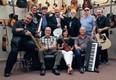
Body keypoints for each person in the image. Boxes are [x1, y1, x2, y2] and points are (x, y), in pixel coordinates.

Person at [4, 13, 37, 77]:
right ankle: (7, 71)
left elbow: (33, 32)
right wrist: (25, 32)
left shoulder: (32, 24)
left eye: (30, 19)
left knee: (33, 45)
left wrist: (21, 30)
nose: (28, 20)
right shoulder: (17, 23)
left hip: (26, 43)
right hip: (16, 43)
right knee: (13, 52)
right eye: (27, 18)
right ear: (24, 17)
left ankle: (25, 59)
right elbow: (14, 31)